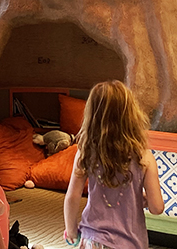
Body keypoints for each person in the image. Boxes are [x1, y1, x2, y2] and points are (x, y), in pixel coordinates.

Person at [63, 80, 164, 249]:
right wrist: (142, 199)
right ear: (131, 115)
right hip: (130, 242)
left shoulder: (86, 152)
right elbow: (157, 208)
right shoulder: (144, 157)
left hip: (93, 239)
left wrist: (71, 229)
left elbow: (72, 196)